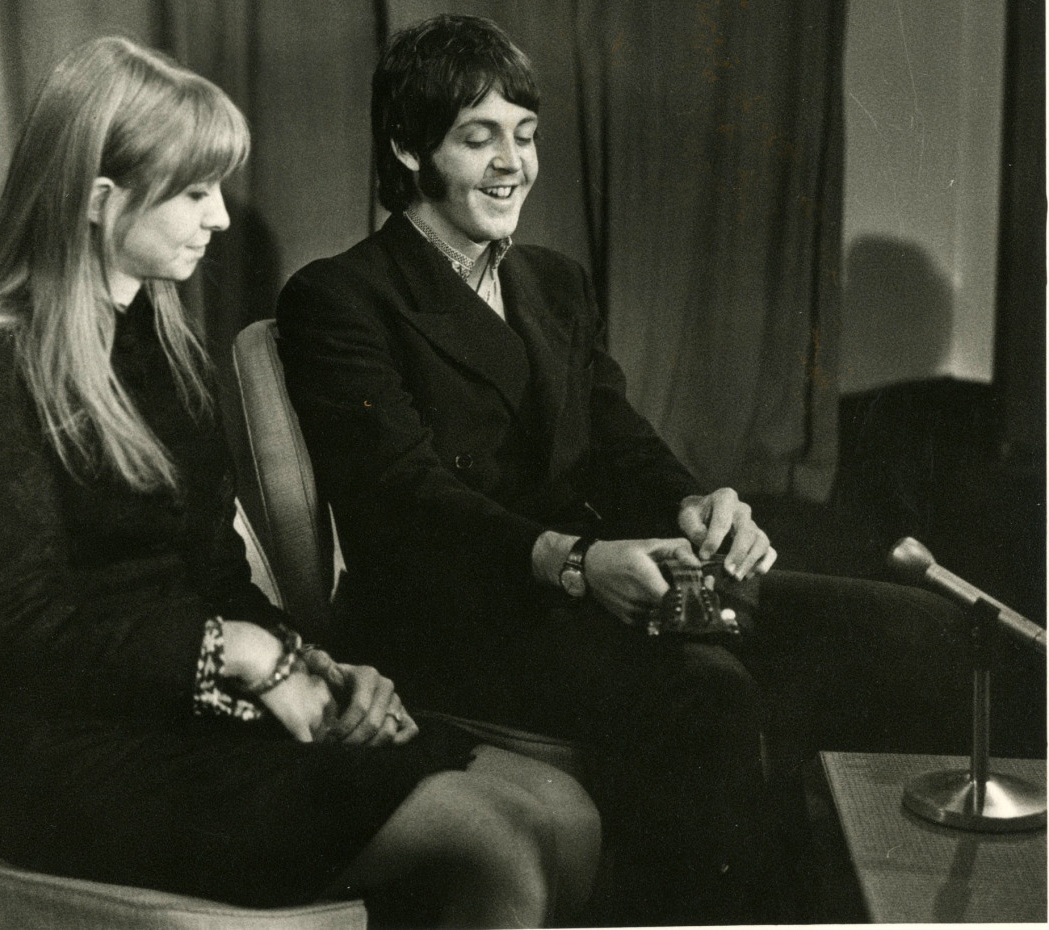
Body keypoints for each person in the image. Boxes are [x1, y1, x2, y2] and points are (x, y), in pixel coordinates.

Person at [276, 14, 975, 925]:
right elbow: (405, 500)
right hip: (454, 622)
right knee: (708, 693)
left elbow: (619, 440)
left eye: (525, 137)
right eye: (477, 137)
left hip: (610, 579)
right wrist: (572, 559)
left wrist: (699, 503)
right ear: (408, 148)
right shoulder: (338, 297)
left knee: (910, 634)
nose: (511, 164)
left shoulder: (553, 282)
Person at [0, 35, 601, 929]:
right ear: (98, 201)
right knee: (493, 835)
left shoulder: (160, 348)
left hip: (195, 714)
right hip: (80, 760)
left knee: (565, 810)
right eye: (194, 192)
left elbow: (218, 574)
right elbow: (14, 626)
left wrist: (319, 667)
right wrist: (240, 657)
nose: (221, 219)